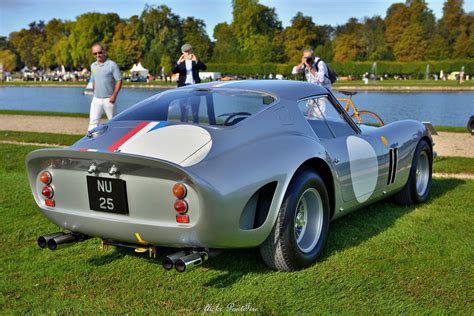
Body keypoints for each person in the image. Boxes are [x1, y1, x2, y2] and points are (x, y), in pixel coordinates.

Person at [88, 43, 122, 132]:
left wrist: (114, 96)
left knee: (113, 122)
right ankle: (91, 142)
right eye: (95, 53)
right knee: (93, 122)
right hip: (96, 99)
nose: (98, 55)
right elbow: (94, 80)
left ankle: (115, 142)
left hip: (109, 99)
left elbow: (119, 80)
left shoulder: (112, 65)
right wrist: (95, 93)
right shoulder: (93, 66)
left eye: (99, 52)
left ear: (104, 52)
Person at [172, 44, 207, 123]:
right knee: (183, 108)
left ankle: (196, 124)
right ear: (182, 52)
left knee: (195, 109)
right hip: (183, 87)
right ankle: (183, 123)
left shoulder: (195, 62)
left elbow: (204, 67)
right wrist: (178, 62)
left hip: (194, 87)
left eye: (188, 52)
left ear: (191, 51)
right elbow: (173, 71)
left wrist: (196, 60)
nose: (187, 54)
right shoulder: (180, 63)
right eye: (185, 52)